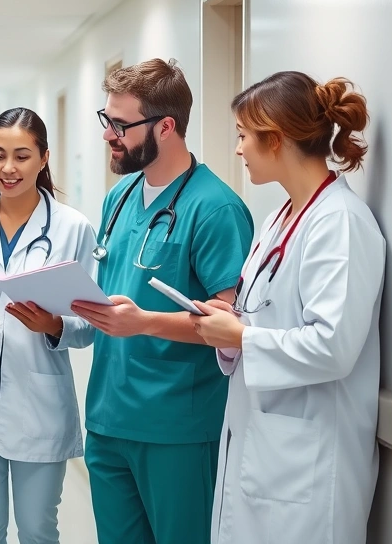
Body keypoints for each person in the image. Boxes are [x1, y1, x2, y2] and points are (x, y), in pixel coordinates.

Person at [190, 72, 385, 544]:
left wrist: (242, 337)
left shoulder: (339, 222)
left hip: (308, 467)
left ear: (274, 139)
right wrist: (231, 330)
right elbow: (267, 317)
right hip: (264, 446)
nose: (238, 149)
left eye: (243, 135)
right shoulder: (278, 219)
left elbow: (333, 347)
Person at [69, 58, 254, 544]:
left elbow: (230, 330)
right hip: (108, 419)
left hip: (177, 429)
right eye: (107, 120)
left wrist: (145, 322)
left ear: (166, 127)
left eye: (120, 125)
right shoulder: (119, 197)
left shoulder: (215, 208)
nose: (108, 135)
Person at [0, 108, 97, 544]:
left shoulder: (73, 228)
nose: (8, 168)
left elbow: (90, 325)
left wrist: (54, 325)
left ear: (44, 158)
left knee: (38, 530)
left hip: (40, 408)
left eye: (22, 156)